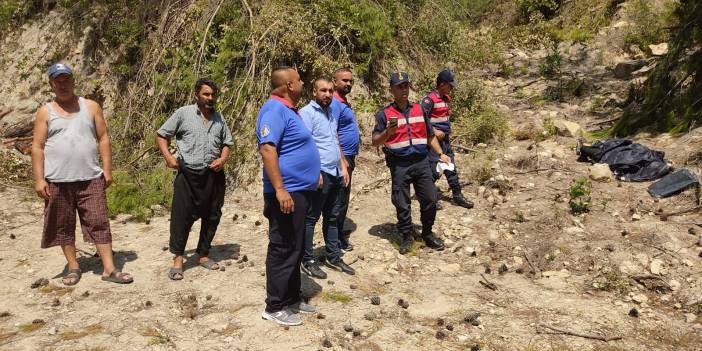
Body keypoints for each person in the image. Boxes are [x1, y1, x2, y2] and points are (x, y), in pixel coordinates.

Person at [31, 63, 133, 285]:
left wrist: (107, 169)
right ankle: (73, 266)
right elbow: (37, 147)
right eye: (58, 80)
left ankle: (109, 268)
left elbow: (103, 137)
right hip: (57, 180)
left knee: (99, 221)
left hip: (90, 178)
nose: (63, 84)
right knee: (62, 225)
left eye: (66, 79)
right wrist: (39, 179)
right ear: (51, 84)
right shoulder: (45, 111)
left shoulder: (91, 107)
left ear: (73, 81)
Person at [258, 67, 320, 326]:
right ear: (288, 85)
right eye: (299, 79)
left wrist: (313, 174)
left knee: (294, 247)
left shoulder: (289, 110)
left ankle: (292, 298)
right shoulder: (273, 110)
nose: (303, 81)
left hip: (300, 190)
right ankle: (274, 306)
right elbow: (268, 149)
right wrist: (281, 189)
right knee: (283, 247)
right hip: (286, 193)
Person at [156, 78, 234, 281]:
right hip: (188, 174)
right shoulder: (183, 113)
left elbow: (227, 142)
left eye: (212, 95)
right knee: (181, 217)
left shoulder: (219, 118)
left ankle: (203, 255)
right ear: (197, 94)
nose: (210, 98)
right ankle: (178, 260)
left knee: (213, 215)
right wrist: (168, 157)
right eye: (206, 94)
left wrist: (223, 159)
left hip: (213, 174)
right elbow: (162, 135)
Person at [371, 72, 450, 255]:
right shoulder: (384, 114)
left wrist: (440, 153)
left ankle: (428, 233)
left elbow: (429, 135)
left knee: (430, 199)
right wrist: (387, 133)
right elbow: (375, 141)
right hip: (400, 164)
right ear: (391, 90)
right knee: (402, 202)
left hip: (421, 161)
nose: (404, 89)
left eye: (406, 85)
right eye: (399, 86)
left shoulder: (419, 110)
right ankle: (407, 236)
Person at [299, 77, 354, 279]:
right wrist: (313, 171)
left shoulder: (332, 112)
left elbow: (334, 138)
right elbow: (304, 145)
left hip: (336, 171)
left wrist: (343, 164)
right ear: (314, 92)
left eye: (331, 91)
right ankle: (308, 260)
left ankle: (333, 255)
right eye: (323, 90)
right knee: (311, 218)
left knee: (332, 216)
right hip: (320, 173)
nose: (328, 94)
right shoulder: (306, 113)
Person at [422, 69, 474, 210]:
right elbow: (421, 120)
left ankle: (457, 195)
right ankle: (430, 197)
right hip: (433, 142)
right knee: (434, 169)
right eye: (450, 85)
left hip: (445, 141)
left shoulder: (445, 98)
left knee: (451, 166)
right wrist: (434, 131)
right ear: (442, 84)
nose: (452, 88)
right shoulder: (429, 100)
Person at [331, 68, 361, 252]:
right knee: (339, 200)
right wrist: (342, 159)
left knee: (342, 198)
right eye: (344, 80)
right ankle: (336, 238)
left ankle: (337, 233)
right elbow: (332, 132)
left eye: (350, 80)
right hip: (342, 159)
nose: (348, 83)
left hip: (348, 157)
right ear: (334, 82)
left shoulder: (343, 102)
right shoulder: (334, 103)